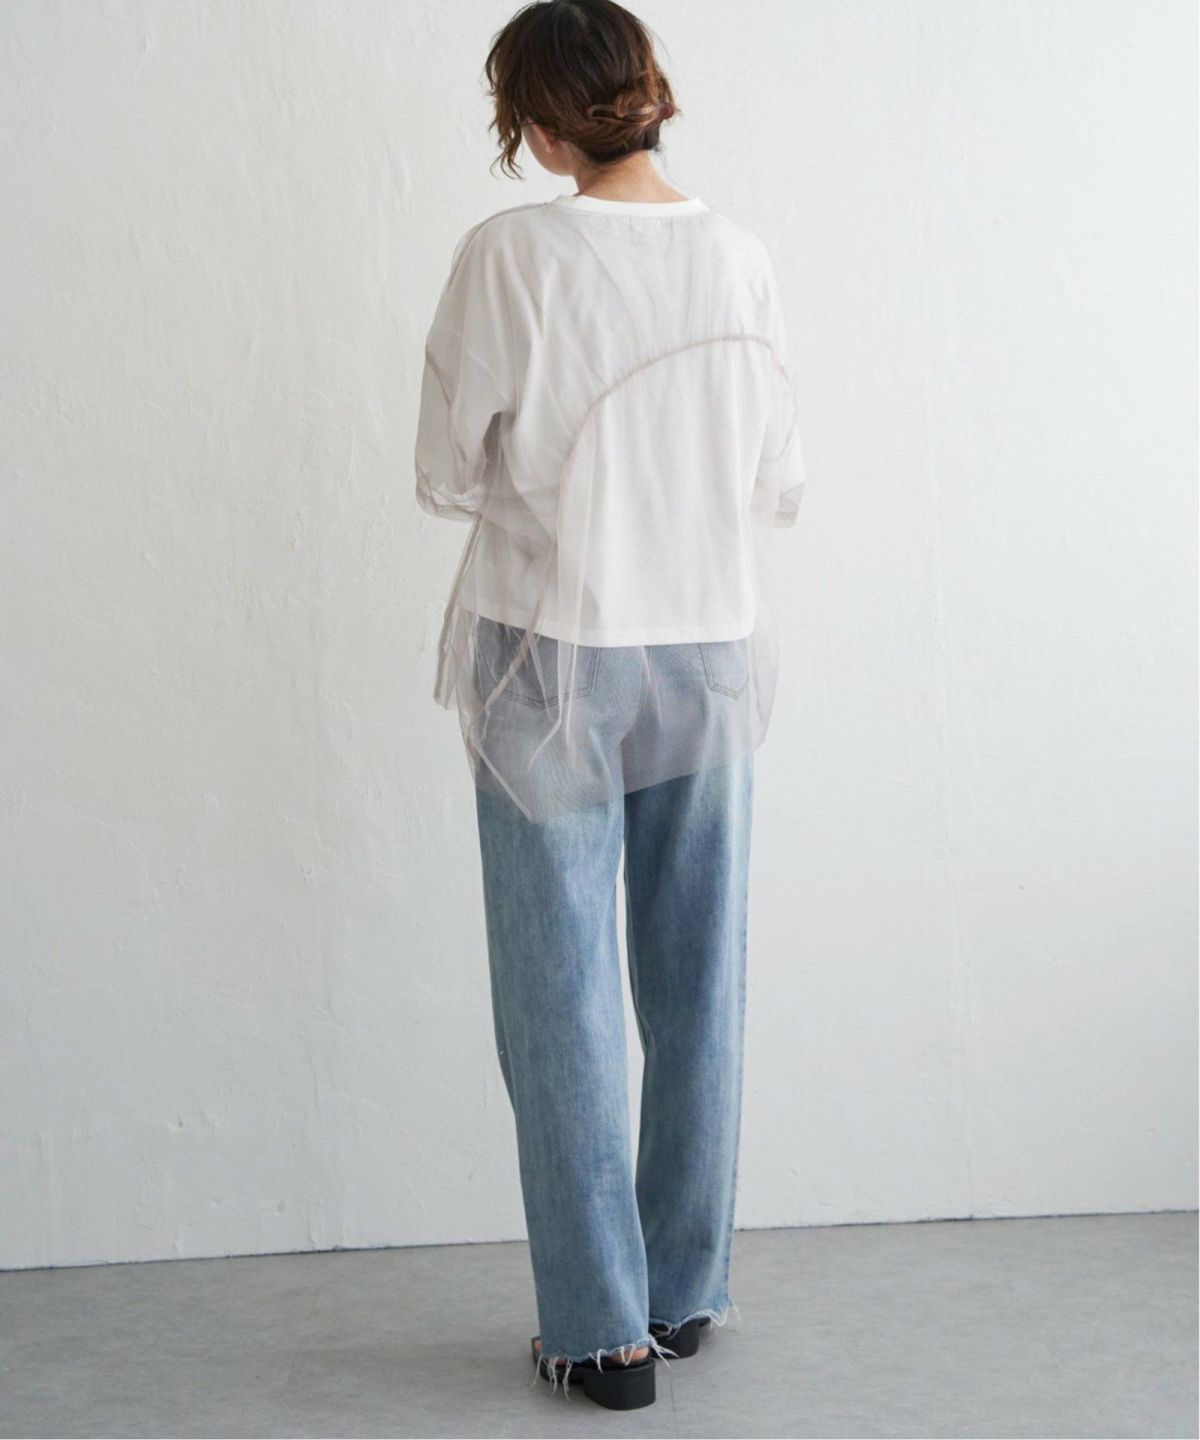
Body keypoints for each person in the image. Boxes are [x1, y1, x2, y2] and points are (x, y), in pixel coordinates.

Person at [414, 0, 806, 1411]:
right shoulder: (740, 254)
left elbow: (447, 470)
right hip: (709, 647)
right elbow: (777, 478)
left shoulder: (512, 254)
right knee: (700, 980)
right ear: (649, 95)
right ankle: (683, 1291)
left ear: (536, 118)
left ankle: (600, 1333)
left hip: (552, 650)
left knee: (562, 995)